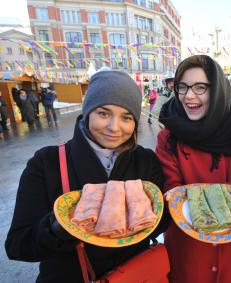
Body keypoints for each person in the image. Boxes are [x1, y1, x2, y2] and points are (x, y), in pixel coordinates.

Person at [5, 70, 167, 282]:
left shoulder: (145, 161)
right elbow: (18, 246)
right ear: (88, 111)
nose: (113, 127)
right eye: (103, 113)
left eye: (126, 117)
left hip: (135, 275)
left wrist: (165, 209)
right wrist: (57, 230)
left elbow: (158, 225)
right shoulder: (47, 162)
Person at [155, 55, 231, 283]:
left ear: (217, 91)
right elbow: (172, 183)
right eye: (183, 87)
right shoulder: (168, 137)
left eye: (200, 88)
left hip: (230, 242)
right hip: (187, 246)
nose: (189, 96)